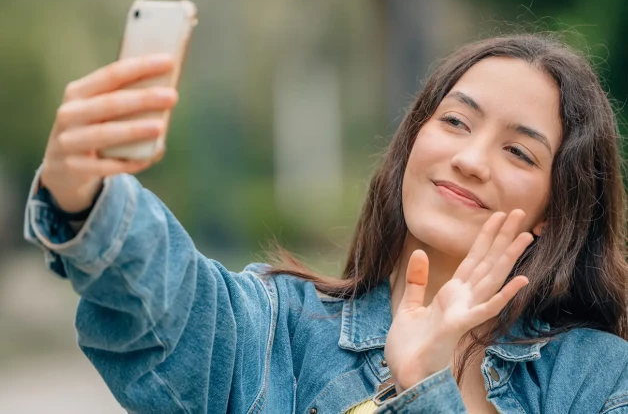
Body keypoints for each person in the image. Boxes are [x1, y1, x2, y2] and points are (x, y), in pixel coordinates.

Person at [24, 33, 628, 413]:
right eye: (455, 122)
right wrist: (84, 195)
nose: (469, 160)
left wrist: (429, 384)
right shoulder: (273, 331)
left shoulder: (599, 380)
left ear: (558, 210)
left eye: (519, 152)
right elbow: (166, 300)